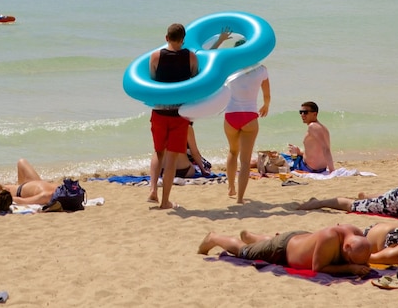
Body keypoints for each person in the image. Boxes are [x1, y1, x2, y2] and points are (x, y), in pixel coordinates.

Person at [211, 27, 270, 202]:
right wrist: (266, 105)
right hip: (250, 117)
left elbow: (210, 58)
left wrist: (221, 40)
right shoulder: (261, 70)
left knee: (232, 151)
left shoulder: (229, 69)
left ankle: (230, 188)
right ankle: (240, 198)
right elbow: (267, 95)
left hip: (231, 116)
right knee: (245, 161)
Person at [147, 22, 198, 209]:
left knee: (158, 151)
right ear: (183, 39)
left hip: (159, 112)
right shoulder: (191, 57)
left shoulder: (155, 56)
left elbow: (151, 81)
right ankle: (165, 201)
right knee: (172, 158)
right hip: (180, 114)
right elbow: (196, 81)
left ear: (166, 38)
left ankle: (153, 190)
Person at [198, 224, 372, 277]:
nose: (349, 262)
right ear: (347, 246)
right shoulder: (330, 238)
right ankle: (214, 238)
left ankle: (253, 237)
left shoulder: (355, 234)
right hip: (282, 249)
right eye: (349, 259)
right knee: (244, 252)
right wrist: (349, 269)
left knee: (269, 244)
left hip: (297, 239)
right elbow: (317, 268)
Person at [287, 101, 334, 173]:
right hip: (321, 168)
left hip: (307, 168)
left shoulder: (312, 126)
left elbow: (326, 148)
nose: (302, 115)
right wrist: (299, 152)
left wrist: (332, 170)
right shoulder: (323, 128)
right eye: (301, 112)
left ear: (315, 114)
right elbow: (317, 152)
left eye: (305, 112)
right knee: (288, 154)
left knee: (280, 157)